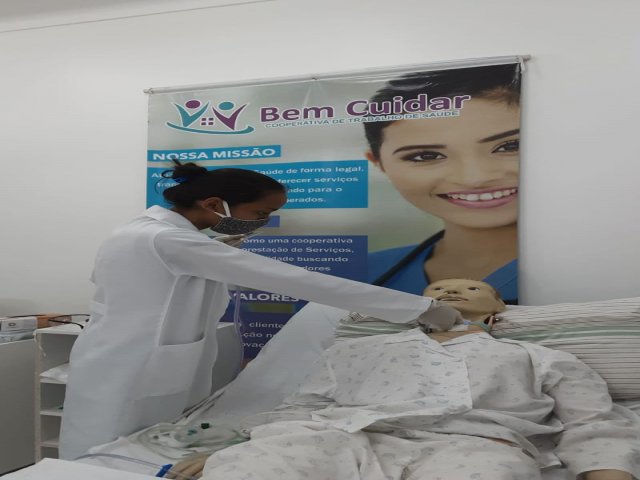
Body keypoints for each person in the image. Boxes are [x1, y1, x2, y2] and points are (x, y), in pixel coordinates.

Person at [59, 162, 463, 460]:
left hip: (129, 355)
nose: (264, 222)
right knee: (103, 454)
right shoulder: (170, 241)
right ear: (214, 204)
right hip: (132, 367)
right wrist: (421, 307)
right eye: (259, 214)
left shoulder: (146, 231)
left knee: (138, 450)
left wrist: (209, 254)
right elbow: (300, 281)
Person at [193, 278, 639, 480]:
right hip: (342, 436)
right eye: (436, 290)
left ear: (498, 308)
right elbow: (301, 407)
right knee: (250, 468)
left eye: (471, 288)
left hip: (471, 446)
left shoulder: (541, 357)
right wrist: (232, 448)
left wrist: (609, 474)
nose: (450, 292)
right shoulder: (355, 349)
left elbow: (593, 423)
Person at [365, 65, 520, 303]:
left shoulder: (582, 266)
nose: (474, 178)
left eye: (509, 146)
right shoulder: (352, 276)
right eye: (426, 156)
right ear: (379, 164)